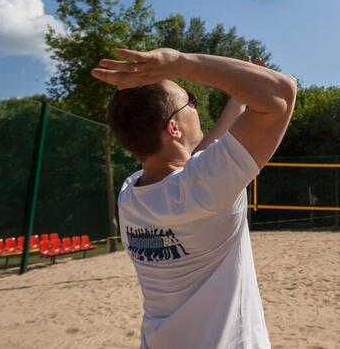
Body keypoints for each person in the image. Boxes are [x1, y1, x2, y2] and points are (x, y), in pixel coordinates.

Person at [91, 48, 297, 349]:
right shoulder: (203, 189)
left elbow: (200, 159)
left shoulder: (130, 194)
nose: (195, 107)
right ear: (173, 127)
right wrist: (179, 63)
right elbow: (281, 93)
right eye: (191, 100)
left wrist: (238, 98)